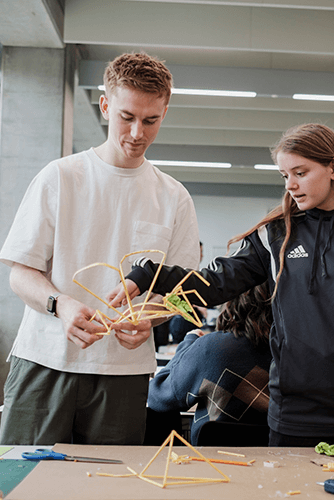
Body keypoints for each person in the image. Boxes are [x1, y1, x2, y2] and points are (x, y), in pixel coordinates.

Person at [109, 123, 334, 461]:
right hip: (290, 415)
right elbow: (217, 282)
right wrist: (151, 274)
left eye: (300, 172)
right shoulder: (276, 235)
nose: (291, 185)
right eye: (285, 175)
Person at [0, 52, 200, 445]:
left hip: (123, 373)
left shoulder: (174, 197)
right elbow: (20, 272)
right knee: (21, 482)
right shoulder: (60, 177)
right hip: (45, 360)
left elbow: (179, 293)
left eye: (150, 120)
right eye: (127, 117)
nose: (137, 132)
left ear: (164, 111)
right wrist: (61, 305)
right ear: (106, 105)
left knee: (108, 485)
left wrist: (151, 320)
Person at [148, 281, 273, 445]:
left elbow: (159, 397)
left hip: (210, 462)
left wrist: (188, 344)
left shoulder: (213, 347)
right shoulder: (298, 352)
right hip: (278, 460)